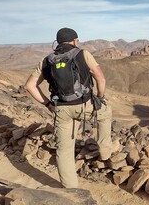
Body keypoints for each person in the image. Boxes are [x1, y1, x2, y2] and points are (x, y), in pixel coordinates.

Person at [25, 27, 112, 188]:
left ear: (57, 43)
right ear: (74, 41)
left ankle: (71, 190)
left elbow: (30, 86)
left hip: (61, 109)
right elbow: (101, 79)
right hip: (84, 105)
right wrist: (100, 99)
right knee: (105, 112)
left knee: (64, 151)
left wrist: (47, 104)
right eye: (77, 41)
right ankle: (105, 151)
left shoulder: (47, 60)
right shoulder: (83, 54)